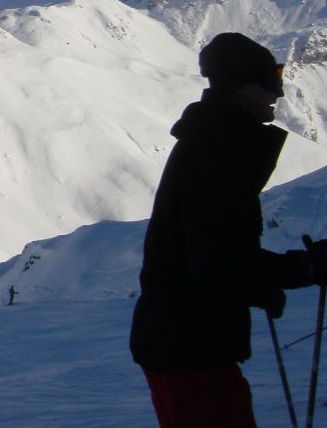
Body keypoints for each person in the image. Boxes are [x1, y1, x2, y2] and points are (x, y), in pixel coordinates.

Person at [129, 32, 327, 427]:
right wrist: (296, 270)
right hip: (192, 350)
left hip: (181, 343)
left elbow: (215, 250)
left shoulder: (213, 140)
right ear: (243, 84)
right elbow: (215, 260)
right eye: (271, 79)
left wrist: (266, 281)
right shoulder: (219, 149)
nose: (278, 93)